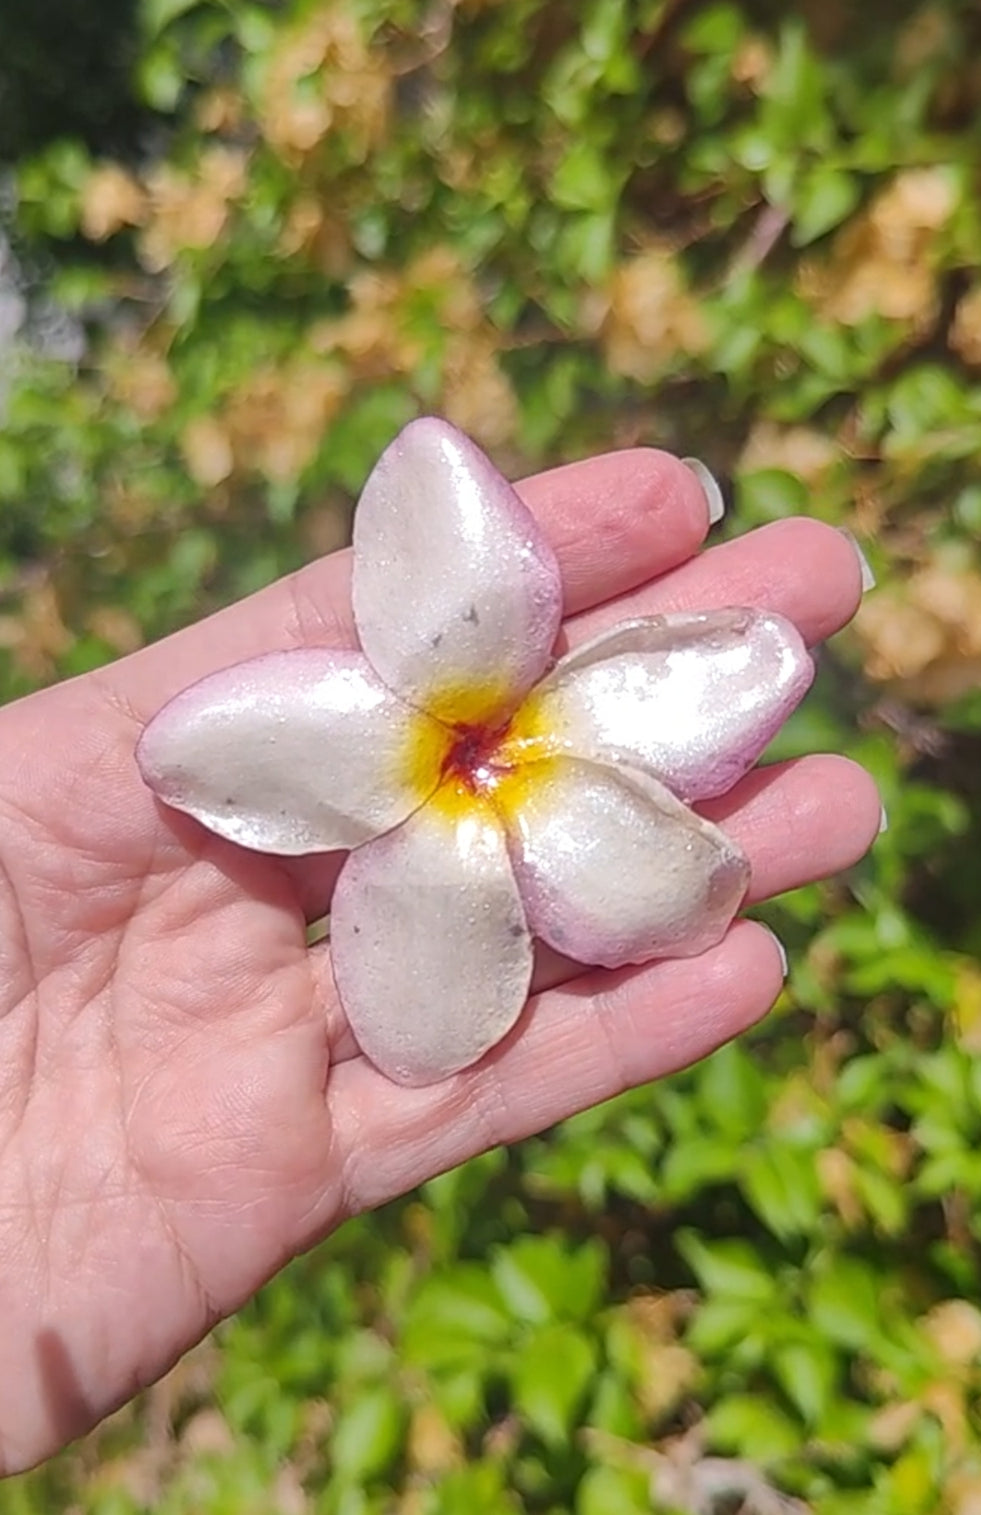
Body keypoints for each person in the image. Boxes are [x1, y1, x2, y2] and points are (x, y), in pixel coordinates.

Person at [0, 447, 882, 1476]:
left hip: (514, 760)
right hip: (449, 785)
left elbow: (685, 819)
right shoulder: (368, 745)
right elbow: (215, 751)